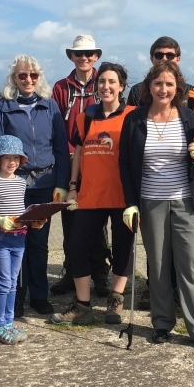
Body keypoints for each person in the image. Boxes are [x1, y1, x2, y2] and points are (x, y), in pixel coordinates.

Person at [118, 60, 194, 353]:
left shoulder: (190, 117)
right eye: (158, 83)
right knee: (159, 267)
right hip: (150, 202)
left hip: (187, 201)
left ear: (178, 89)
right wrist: (131, 203)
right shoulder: (134, 119)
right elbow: (125, 164)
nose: (164, 89)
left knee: (190, 265)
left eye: (170, 84)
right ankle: (162, 323)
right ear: (149, 86)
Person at [51, 62, 136, 325]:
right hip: (90, 194)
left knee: (124, 247)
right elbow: (77, 152)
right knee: (76, 246)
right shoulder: (86, 116)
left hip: (124, 196)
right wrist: (73, 186)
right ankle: (83, 304)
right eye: (102, 82)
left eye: (112, 82)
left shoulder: (133, 115)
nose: (106, 86)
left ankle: (116, 297)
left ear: (122, 86)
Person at [0, 55, 70, 316]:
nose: (28, 80)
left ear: (39, 77)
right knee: (13, 240)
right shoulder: (2, 107)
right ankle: (16, 297)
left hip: (46, 182)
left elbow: (60, 147)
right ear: (14, 78)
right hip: (15, 182)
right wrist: (4, 182)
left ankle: (39, 295)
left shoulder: (50, 106)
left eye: (33, 75)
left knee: (39, 242)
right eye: (22, 75)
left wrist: (61, 183)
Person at [50, 35, 112, 298]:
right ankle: (72, 271)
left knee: (97, 224)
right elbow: (56, 126)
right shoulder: (61, 87)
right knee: (71, 221)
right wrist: (71, 152)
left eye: (89, 53)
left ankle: (100, 275)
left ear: (96, 56)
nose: (84, 58)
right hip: (69, 162)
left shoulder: (106, 83)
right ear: (72, 57)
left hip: (101, 163)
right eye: (79, 54)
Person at [0, 135, 45, 344]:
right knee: (4, 283)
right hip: (0, 239)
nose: (12, 162)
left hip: (20, 238)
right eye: (7, 158)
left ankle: (9, 322)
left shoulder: (20, 182)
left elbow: (20, 211)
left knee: (14, 283)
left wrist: (33, 220)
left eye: (16, 158)